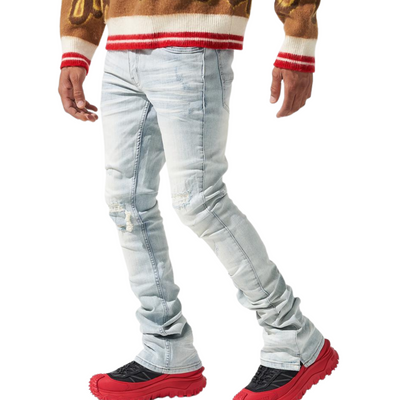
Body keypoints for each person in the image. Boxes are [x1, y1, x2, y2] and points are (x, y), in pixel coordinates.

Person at [58, 1, 339, 399]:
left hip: (194, 39)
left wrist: (298, 39)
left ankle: (293, 336)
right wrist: (77, 45)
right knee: (125, 203)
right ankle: (166, 348)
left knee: (199, 200)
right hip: (121, 49)